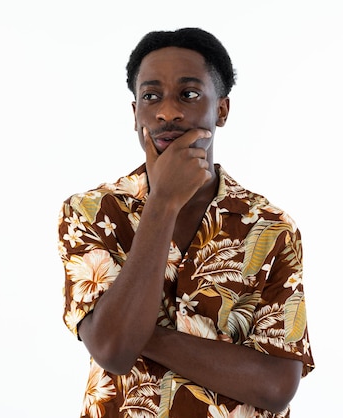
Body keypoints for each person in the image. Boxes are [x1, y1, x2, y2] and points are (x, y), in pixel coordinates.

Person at [58, 27, 315, 418]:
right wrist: (162, 202)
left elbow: (276, 386)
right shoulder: (92, 212)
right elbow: (113, 352)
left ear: (222, 110)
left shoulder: (271, 227)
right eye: (151, 96)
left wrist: (138, 334)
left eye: (189, 94)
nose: (167, 112)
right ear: (135, 114)